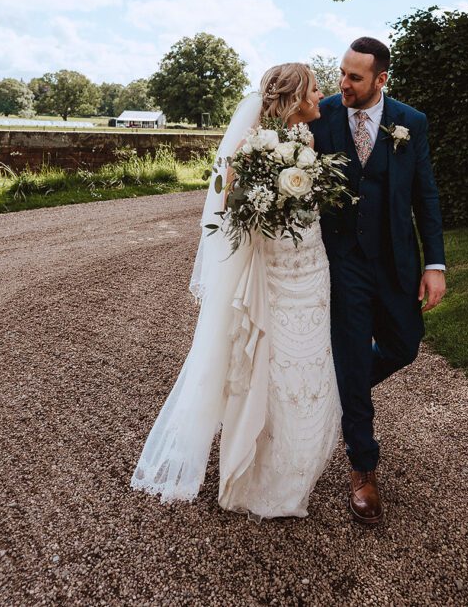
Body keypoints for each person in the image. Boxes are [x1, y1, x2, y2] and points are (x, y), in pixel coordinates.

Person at [130, 63, 341, 520]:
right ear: (295, 96)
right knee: (273, 368)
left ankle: (297, 467)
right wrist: (264, 200)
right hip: (274, 274)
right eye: (313, 88)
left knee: (311, 367)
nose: (320, 94)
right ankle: (258, 473)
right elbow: (225, 202)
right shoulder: (253, 145)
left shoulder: (307, 142)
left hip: (313, 269)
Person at [311, 37, 446, 526]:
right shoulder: (321, 115)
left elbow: (425, 195)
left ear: (381, 79)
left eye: (354, 77)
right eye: (342, 73)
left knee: (404, 344)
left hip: (395, 260)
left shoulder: (411, 122)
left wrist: (435, 264)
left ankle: (337, 389)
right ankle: (363, 468)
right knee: (352, 353)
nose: (343, 84)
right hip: (342, 260)